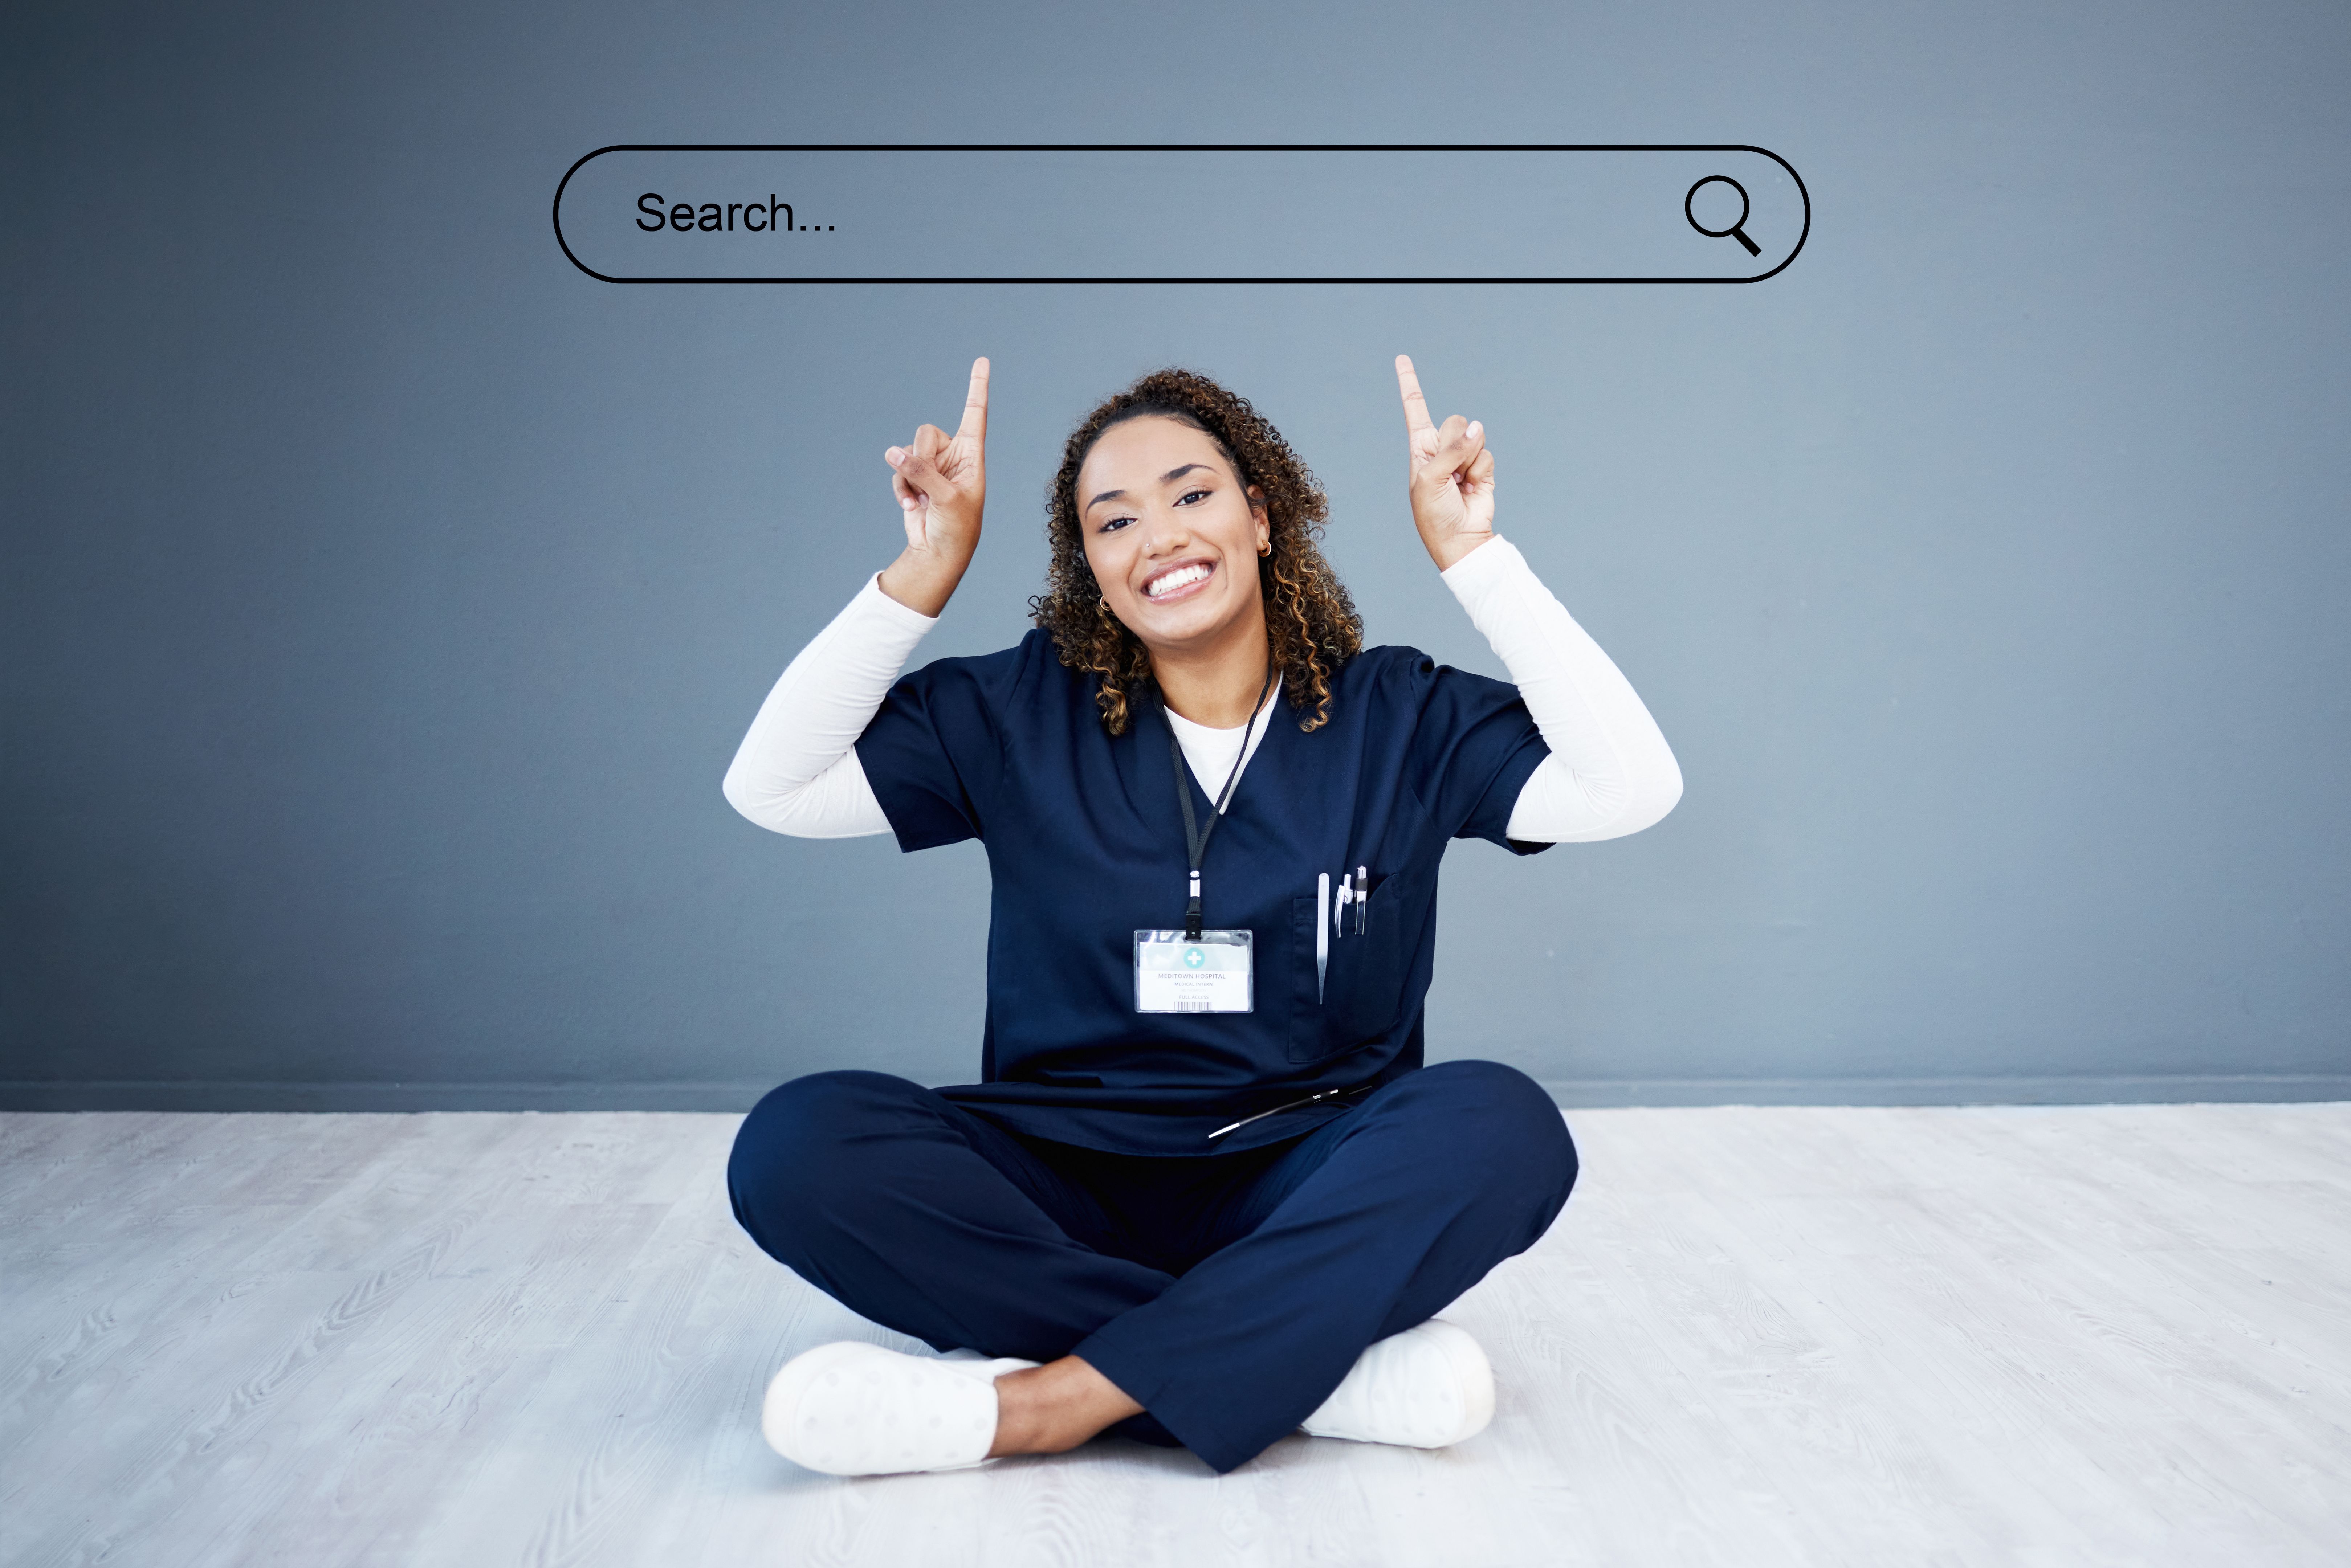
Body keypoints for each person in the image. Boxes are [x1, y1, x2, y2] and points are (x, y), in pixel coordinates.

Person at [720, 355, 1681, 1478]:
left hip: (1299, 1173)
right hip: (1057, 1176)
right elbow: (771, 789)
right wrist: (922, 573)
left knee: (1498, 1125)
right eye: (1113, 520)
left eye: (1191, 495)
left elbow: (1630, 790)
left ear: (1261, 516)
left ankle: (1046, 1403)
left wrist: (1476, 560)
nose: (1159, 537)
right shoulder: (1013, 710)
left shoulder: (1398, 714)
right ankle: (1300, 1362)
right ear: (1090, 567)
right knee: (800, 1146)